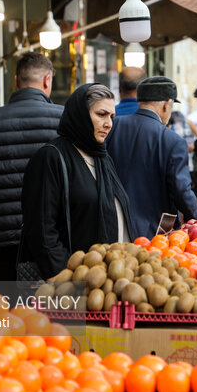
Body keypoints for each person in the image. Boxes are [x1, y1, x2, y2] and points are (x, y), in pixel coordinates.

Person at [0, 53, 63, 282]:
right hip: (53, 238)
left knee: (4, 312)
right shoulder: (64, 120)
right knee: (56, 311)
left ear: (16, 80)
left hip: (0, 238)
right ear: (47, 81)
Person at [20, 84, 135, 279]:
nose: (108, 123)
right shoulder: (51, 157)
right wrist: (67, 278)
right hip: (69, 283)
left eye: (112, 117)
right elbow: (42, 231)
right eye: (101, 114)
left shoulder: (102, 157)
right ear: (81, 114)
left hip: (102, 281)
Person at [108, 77, 197, 237]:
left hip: (112, 225)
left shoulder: (112, 126)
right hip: (155, 233)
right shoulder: (173, 141)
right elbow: (181, 191)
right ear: (167, 104)